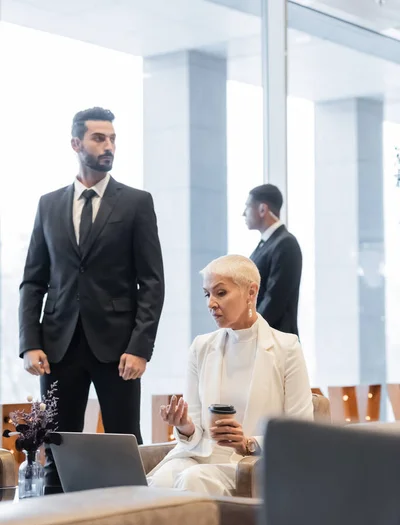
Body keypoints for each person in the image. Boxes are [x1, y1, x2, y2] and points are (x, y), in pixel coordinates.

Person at [19, 107, 164, 492]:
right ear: (76, 143)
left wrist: (140, 347)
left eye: (113, 138)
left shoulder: (136, 203)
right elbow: (33, 281)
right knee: (56, 444)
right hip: (58, 347)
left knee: (124, 441)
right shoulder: (48, 205)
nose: (109, 146)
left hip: (119, 351)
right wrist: (30, 343)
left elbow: (151, 282)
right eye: (99, 138)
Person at [147, 255, 312, 496]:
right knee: (159, 483)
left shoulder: (286, 348)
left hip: (252, 463)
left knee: (193, 479)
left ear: (251, 293)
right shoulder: (201, 347)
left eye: (220, 293)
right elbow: (193, 435)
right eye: (207, 294)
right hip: (200, 457)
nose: (211, 303)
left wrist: (247, 443)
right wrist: (184, 426)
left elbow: (300, 434)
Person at [244, 184, 302, 336]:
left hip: (277, 343)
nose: (244, 213)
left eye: (248, 207)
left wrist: (247, 330)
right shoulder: (266, 244)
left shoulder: (285, 244)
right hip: (263, 340)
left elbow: (274, 299)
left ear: (263, 209)